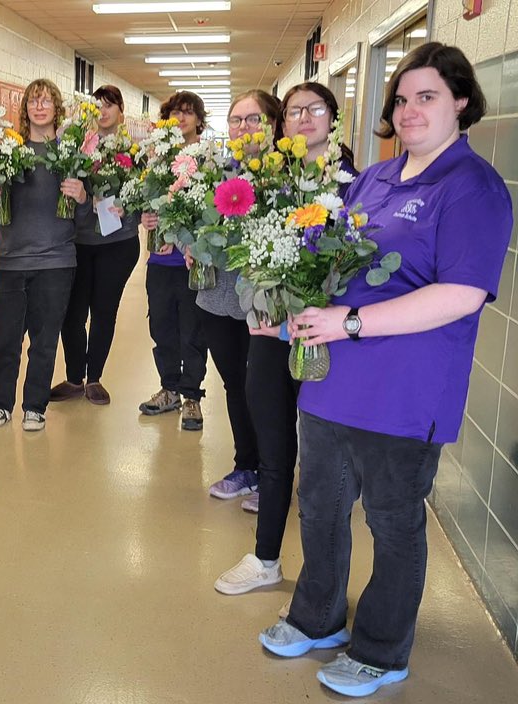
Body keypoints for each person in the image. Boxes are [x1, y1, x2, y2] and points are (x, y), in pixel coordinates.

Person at [259, 43, 512, 698]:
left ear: (461, 100)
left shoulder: (471, 188)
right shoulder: (375, 179)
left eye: (426, 96)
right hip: (333, 382)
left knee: (393, 523)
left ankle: (381, 648)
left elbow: (461, 293)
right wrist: (295, 309)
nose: (409, 110)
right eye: (401, 99)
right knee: (317, 506)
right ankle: (316, 616)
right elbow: (331, 263)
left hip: (406, 392)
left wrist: (349, 322)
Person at [215, 82, 358, 595]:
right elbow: (250, 252)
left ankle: (324, 581)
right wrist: (260, 304)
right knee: (274, 449)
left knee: (325, 464)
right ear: (283, 124)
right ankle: (266, 557)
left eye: (314, 109)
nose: (303, 118)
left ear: (332, 119)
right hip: (271, 336)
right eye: (294, 111)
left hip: (330, 340)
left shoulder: (356, 186)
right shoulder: (269, 181)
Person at [0, 78, 90, 432]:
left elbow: (87, 219)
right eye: (33, 101)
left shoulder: (70, 155)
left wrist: (82, 197)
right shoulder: (9, 150)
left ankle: (35, 406)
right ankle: (2, 404)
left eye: (46, 101)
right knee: (4, 339)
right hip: (10, 260)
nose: (39, 106)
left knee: (44, 339)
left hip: (56, 261)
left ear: (56, 108)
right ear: (25, 108)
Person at [197, 90, 281, 502]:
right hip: (218, 296)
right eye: (236, 120)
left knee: (263, 388)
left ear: (272, 125)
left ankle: (274, 472)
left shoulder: (284, 174)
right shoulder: (210, 172)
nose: (243, 128)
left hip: (265, 301)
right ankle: (246, 466)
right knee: (233, 384)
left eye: (253, 120)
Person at [49, 85, 140, 406]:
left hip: (118, 243)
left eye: (109, 105)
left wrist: (128, 206)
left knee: (103, 311)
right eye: (97, 106)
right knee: (71, 314)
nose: (102, 111)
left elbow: (142, 198)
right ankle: (75, 378)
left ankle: (95, 378)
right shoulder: (78, 147)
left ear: (121, 112)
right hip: (78, 242)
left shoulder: (133, 152)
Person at [137, 91, 209, 428]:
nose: (181, 119)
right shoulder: (157, 161)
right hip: (160, 263)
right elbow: (146, 204)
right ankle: (169, 389)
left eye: (188, 113)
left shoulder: (207, 161)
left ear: (198, 119)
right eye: (175, 113)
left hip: (192, 263)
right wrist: (146, 219)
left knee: (192, 332)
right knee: (161, 328)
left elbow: (212, 211)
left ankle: (192, 396)